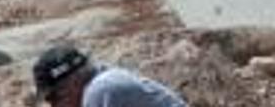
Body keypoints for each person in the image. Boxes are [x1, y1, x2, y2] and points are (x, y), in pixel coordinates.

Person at [32, 45, 187, 107]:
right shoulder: (104, 79)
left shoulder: (99, 91)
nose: (54, 106)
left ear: (73, 82)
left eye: (53, 98)